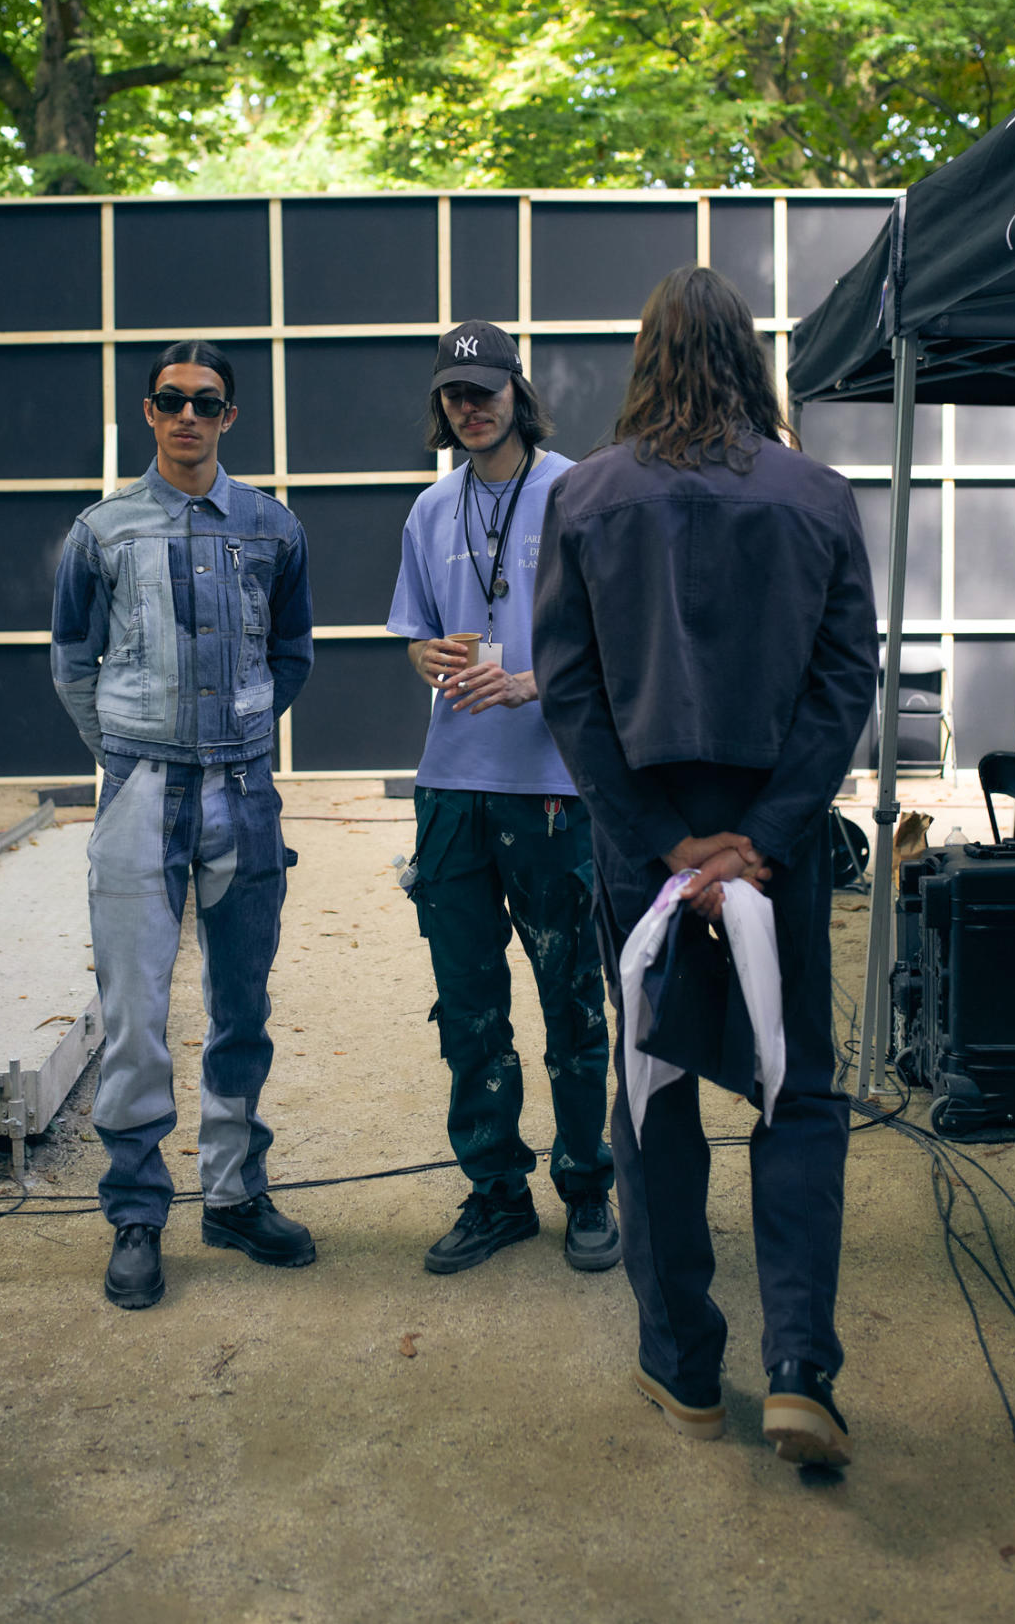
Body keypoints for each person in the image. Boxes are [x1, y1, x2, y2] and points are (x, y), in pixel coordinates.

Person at [532, 266, 878, 1465]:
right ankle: (799, 1370)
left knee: (658, 1089)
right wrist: (766, 835)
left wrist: (662, 838)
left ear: (646, 357)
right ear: (752, 359)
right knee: (799, 1094)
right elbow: (846, 686)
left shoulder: (582, 496)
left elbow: (570, 692)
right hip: (772, 844)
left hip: (652, 849)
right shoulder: (820, 496)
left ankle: (684, 1367)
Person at [51, 340, 316, 1310]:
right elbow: (71, 658)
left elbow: (293, 652)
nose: (187, 415)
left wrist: (240, 728)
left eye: (206, 401)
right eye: (170, 400)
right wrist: (129, 745)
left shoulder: (273, 528)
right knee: (135, 1014)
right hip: (138, 793)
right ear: (150, 412)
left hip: (242, 796)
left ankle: (236, 1191)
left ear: (230, 416)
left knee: (242, 1006)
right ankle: (135, 1212)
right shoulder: (103, 531)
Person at [387, 319, 619, 1275]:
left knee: (571, 997)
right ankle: (496, 1192)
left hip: (553, 787)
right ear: (440, 406)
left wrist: (532, 682)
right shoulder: (429, 510)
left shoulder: (576, 490)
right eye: (454, 393)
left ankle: (588, 1188)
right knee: (469, 1003)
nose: (470, 406)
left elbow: (614, 636)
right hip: (451, 790)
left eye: (485, 390)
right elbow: (413, 633)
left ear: (518, 394)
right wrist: (427, 655)